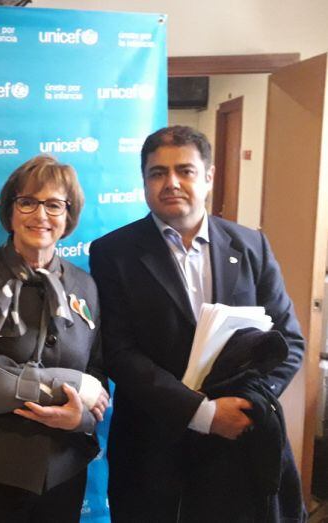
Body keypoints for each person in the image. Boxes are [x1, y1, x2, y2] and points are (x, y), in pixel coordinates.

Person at [88, 126, 305, 521]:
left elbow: (288, 340)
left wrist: (250, 404)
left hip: (240, 441)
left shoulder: (251, 246)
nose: (171, 182)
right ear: (144, 182)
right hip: (152, 448)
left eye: (185, 170)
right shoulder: (112, 253)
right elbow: (118, 351)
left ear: (208, 176)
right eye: (157, 173)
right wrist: (201, 413)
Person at [0, 155, 108, 523]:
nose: (41, 215)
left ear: (69, 215)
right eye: (28, 202)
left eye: (54, 204)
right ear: (11, 209)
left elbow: (98, 378)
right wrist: (70, 384)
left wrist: (79, 419)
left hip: (62, 473)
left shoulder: (86, 286)